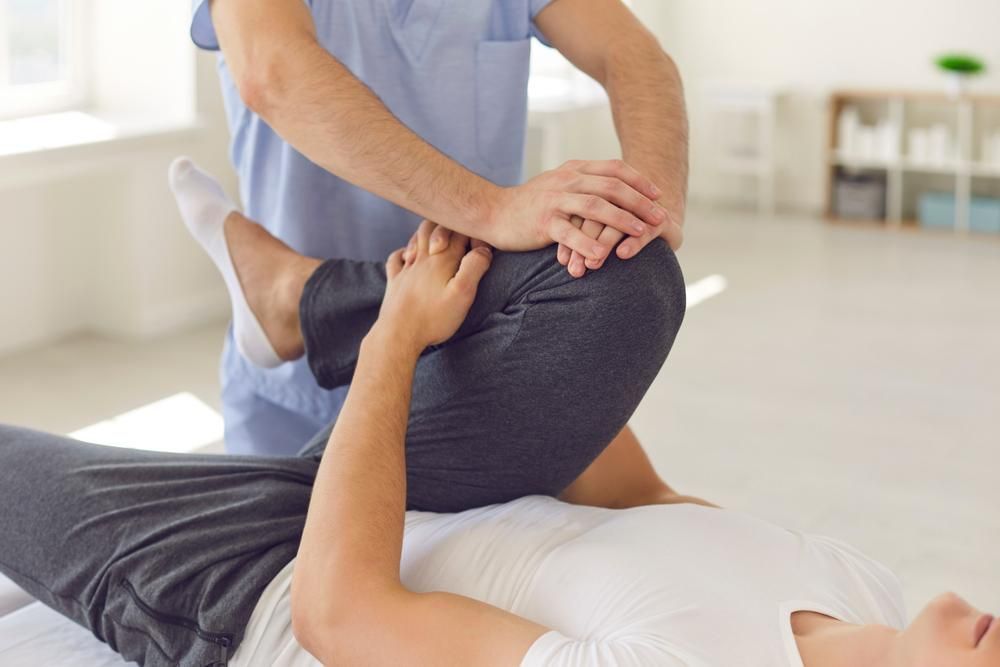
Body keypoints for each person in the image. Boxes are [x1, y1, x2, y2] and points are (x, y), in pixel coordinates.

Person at [0, 184, 994, 667]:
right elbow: (633, 495)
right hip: (408, 486)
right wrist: (546, 356)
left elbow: (341, 617)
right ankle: (304, 305)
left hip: (257, 581)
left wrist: (399, 341)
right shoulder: (861, 584)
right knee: (623, 287)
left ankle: (311, 308)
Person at [192, 0, 689, 457]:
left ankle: (301, 297)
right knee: (295, 546)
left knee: (631, 281)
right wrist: (492, 210)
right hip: (294, 397)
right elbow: (272, 72)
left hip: (466, 365)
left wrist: (647, 211)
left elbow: (633, 54)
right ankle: (301, 299)